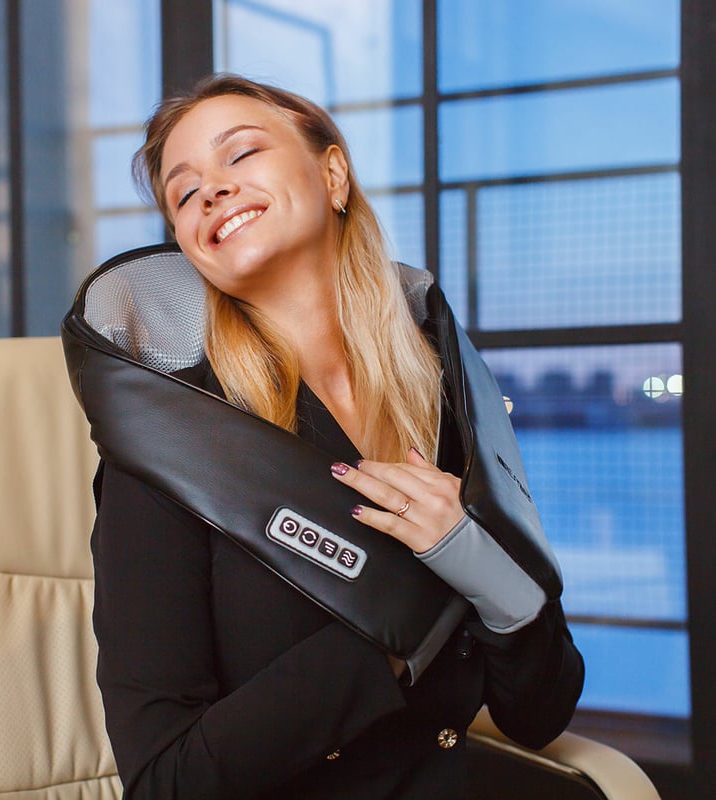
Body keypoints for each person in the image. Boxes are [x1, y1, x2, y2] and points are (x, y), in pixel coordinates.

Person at [84, 74, 584, 799]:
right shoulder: (170, 449)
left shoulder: (446, 402)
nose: (212, 191)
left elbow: (540, 712)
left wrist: (481, 568)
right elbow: (165, 783)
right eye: (184, 194)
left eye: (240, 154)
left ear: (333, 174)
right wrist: (400, 628)